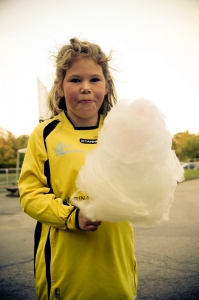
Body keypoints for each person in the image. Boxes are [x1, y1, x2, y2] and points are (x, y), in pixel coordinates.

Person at [19, 37, 138, 300]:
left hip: (116, 268)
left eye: (94, 79)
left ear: (106, 86)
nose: (85, 87)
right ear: (59, 88)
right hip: (66, 271)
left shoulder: (122, 131)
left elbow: (140, 187)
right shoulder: (45, 134)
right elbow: (29, 196)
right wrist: (74, 217)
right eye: (75, 80)